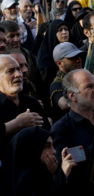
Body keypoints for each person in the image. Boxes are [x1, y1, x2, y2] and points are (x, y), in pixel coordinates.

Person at [0, 55, 51, 183]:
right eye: (10, 71)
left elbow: (48, 135)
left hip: (38, 177)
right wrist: (18, 123)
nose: (18, 74)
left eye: (19, 69)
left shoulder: (32, 103)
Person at [50, 42, 84, 122]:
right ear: (59, 63)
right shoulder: (57, 84)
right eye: (73, 58)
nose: (79, 60)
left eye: (78, 56)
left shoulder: (82, 79)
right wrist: (87, 99)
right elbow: (64, 104)